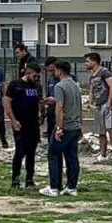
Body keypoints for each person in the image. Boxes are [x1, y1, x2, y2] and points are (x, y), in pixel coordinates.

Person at [41, 60, 82, 198]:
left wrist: (59, 127)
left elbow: (59, 107)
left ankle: (54, 187)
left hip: (65, 126)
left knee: (53, 154)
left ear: (59, 70)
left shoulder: (60, 86)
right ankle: (71, 187)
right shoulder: (76, 85)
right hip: (75, 126)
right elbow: (79, 106)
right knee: (72, 157)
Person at [5, 62, 43, 189]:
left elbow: (39, 101)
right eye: (35, 76)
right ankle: (15, 180)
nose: (37, 78)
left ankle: (29, 179)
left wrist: (42, 113)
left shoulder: (37, 86)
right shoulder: (15, 85)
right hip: (20, 123)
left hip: (33, 123)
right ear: (28, 72)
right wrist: (13, 120)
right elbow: (7, 103)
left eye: (38, 76)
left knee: (31, 152)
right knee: (20, 151)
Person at [85, 53, 112, 162]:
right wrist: (90, 103)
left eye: (88, 61)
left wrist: (109, 102)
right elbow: (92, 89)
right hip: (98, 105)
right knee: (101, 131)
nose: (86, 64)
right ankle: (102, 154)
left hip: (106, 103)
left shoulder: (104, 72)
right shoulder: (92, 75)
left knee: (110, 128)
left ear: (94, 61)